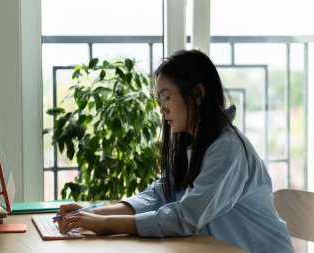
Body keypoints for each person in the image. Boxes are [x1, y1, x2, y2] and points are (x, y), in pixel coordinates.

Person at [56, 49, 295, 253]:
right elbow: (160, 194)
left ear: (197, 94)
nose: (162, 110)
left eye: (166, 98)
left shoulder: (227, 149)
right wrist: (94, 213)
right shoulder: (195, 142)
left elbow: (184, 217)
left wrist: (103, 223)